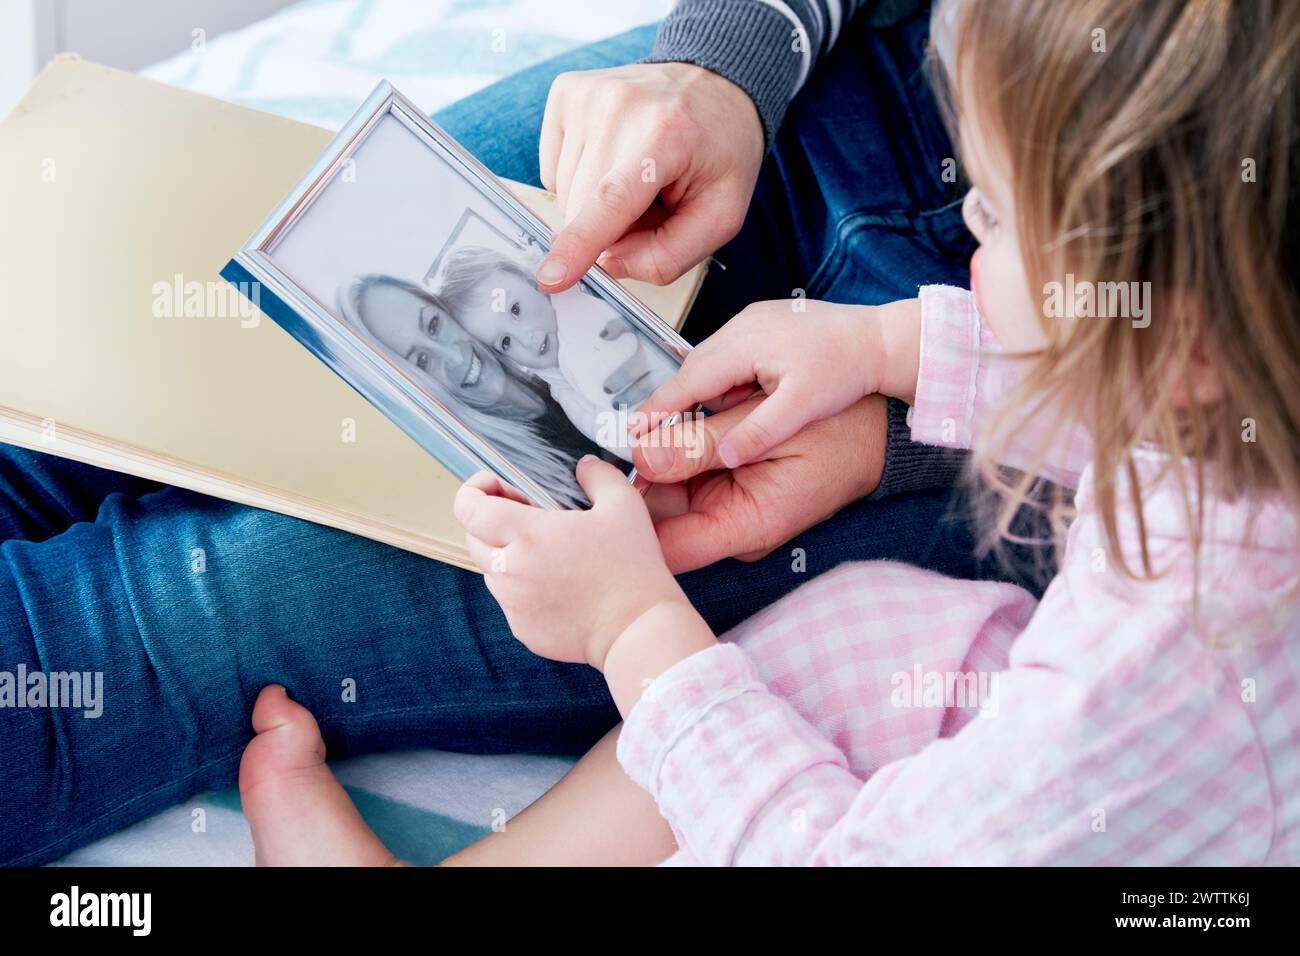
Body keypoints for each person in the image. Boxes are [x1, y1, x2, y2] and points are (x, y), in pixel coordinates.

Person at [236, 0, 1300, 865]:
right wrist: (890, 349)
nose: (964, 225)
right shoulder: (1254, 380)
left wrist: (629, 628)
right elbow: (1147, 409)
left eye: (997, 217)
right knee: (867, 628)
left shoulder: (1170, 658)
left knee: (722, 740)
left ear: (1187, 329)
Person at [1, 0, 985, 865]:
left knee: (159, 620)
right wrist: (726, 58)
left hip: (1047, 424)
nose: (481, 342)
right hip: (895, 81)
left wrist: (906, 433)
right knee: (55, 385)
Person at [340, 273, 594, 506]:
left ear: (444, 309)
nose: (454, 357)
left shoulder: (557, 371)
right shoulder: (501, 484)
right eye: (422, 361)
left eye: (433, 325)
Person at [437, 245, 679, 461]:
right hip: (677, 442)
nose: (526, 339)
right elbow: (630, 448)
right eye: (506, 342)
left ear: (531, 281)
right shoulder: (566, 393)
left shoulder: (590, 300)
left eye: (515, 309)